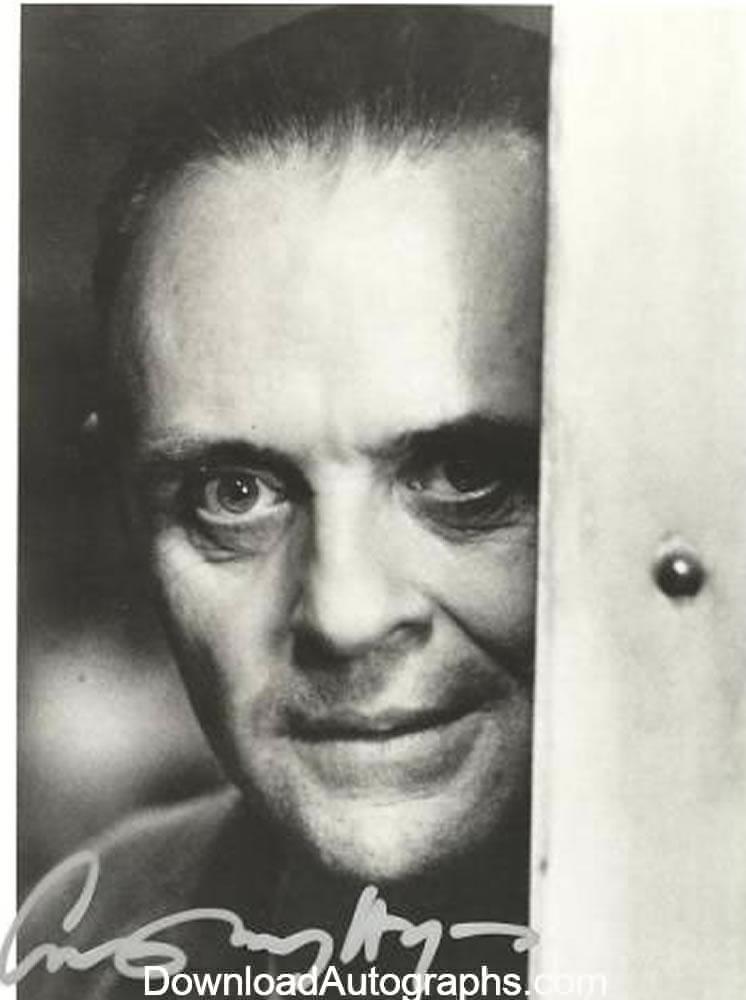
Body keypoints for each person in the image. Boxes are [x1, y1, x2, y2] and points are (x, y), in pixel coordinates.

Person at [16, 7, 548, 998]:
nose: (345, 614)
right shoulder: (80, 944)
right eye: (234, 493)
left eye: (463, 474)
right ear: (126, 505)